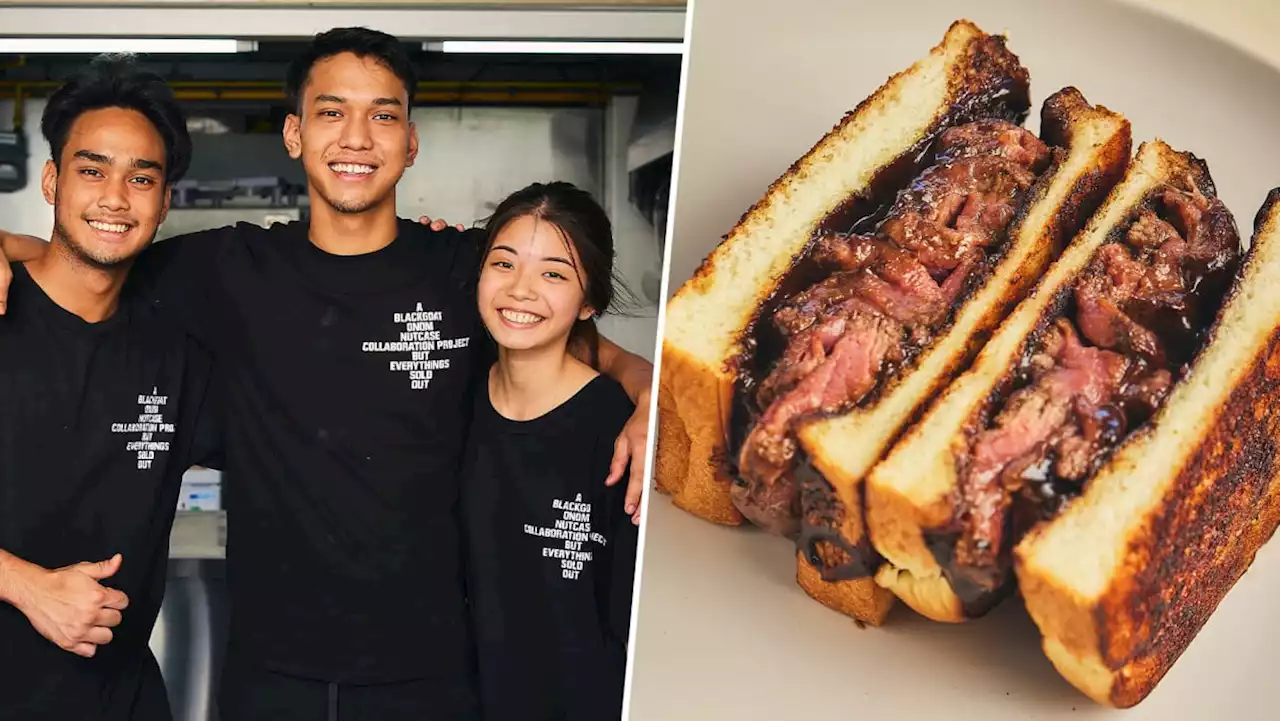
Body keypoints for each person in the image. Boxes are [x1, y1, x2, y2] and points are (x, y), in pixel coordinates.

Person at [0, 27, 653, 720]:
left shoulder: (465, 269)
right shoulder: (225, 269)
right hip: (269, 675)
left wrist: (643, 388)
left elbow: (558, 325)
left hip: (433, 674)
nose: (357, 138)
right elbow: (93, 254)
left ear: (410, 141)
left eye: (383, 115)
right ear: (294, 133)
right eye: (331, 111)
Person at [0, 56, 220, 720]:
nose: (115, 198)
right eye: (92, 170)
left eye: (141, 177)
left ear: (164, 199)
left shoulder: (177, 354)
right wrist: (26, 585)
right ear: (51, 179)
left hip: (120, 700)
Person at [461, 182, 639, 721]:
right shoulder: (452, 400)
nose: (520, 290)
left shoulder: (621, 432)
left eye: (554, 273)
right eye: (504, 263)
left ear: (588, 302)